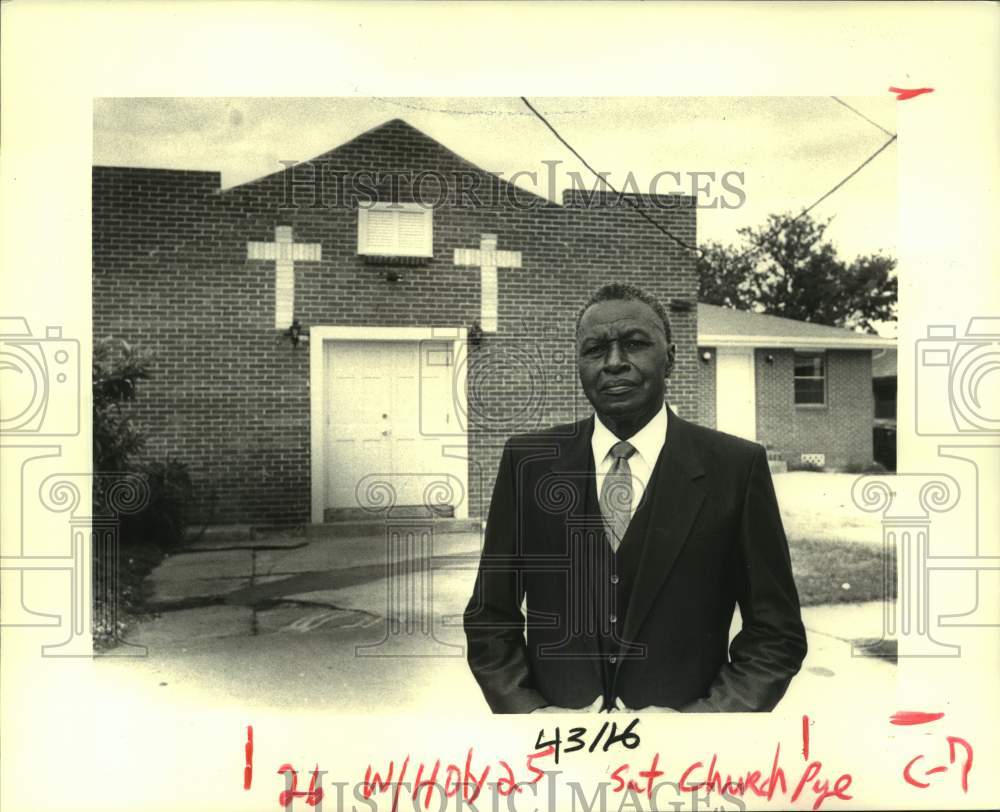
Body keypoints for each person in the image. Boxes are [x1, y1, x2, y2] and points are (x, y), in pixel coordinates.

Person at [463, 283, 807, 713]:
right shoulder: (528, 464)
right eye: (594, 350)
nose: (613, 363)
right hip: (555, 754)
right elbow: (490, 618)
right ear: (579, 364)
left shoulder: (736, 468)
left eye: (634, 344)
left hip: (686, 763)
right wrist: (531, 714)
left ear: (671, 359)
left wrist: (703, 722)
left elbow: (777, 635)